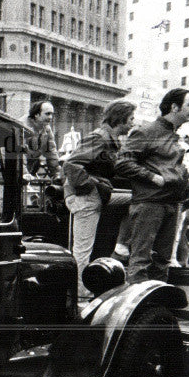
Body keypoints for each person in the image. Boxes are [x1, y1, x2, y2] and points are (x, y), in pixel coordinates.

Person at [115, 88, 189, 283]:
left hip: (172, 203)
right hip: (150, 204)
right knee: (140, 259)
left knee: (162, 262)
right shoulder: (147, 131)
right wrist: (153, 178)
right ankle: (136, 309)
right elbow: (123, 163)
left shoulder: (174, 135)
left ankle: (155, 308)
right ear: (174, 107)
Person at [62, 100, 136, 297]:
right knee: (82, 250)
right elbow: (71, 165)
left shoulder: (110, 139)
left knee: (133, 200)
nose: (133, 123)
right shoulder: (100, 137)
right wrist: (91, 186)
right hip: (85, 196)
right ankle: (79, 293)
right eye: (131, 119)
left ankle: (120, 245)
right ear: (121, 119)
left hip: (96, 195)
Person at [22, 100, 60, 178]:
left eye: (52, 114)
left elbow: (51, 152)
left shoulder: (46, 128)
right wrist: (24, 173)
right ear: (36, 114)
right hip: (6, 171)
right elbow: (19, 154)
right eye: (47, 114)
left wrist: (57, 174)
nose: (50, 117)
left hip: (27, 171)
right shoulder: (22, 126)